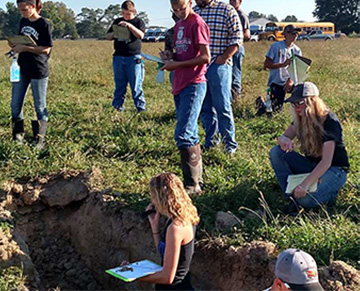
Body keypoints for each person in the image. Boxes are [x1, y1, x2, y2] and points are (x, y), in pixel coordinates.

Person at [269, 82, 349, 213]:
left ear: (312, 102)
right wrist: (284, 140)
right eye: (293, 104)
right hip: (311, 165)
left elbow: (326, 162)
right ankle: (291, 196)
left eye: (299, 103)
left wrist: (305, 185)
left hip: (334, 170)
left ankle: (329, 195)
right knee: (276, 152)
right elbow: (283, 137)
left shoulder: (329, 121)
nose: (296, 108)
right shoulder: (301, 118)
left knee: (305, 200)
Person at [160, 0, 211, 194]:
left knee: (183, 133)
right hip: (179, 84)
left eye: (182, 8)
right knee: (190, 132)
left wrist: (177, 66)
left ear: (190, 2)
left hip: (194, 83)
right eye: (175, 10)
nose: (179, 13)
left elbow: (206, 57)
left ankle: (192, 185)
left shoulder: (197, 23)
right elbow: (180, 53)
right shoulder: (178, 25)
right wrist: (168, 57)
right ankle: (198, 181)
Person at [194, 0, 243, 154]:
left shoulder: (226, 9)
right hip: (199, 66)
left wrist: (225, 56)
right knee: (205, 107)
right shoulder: (194, 11)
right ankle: (211, 141)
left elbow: (237, 37)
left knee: (222, 105)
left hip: (218, 64)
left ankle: (230, 144)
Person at [140, 172, 200, 290]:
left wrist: (134, 276)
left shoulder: (176, 228)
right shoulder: (185, 215)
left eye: (153, 197)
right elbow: (165, 253)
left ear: (161, 198)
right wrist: (155, 227)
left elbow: (168, 277)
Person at [9, 0, 53, 150]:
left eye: (24, 9)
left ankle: (39, 141)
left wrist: (25, 47)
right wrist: (15, 46)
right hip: (22, 68)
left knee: (40, 106)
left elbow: (46, 49)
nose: (22, 12)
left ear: (33, 6)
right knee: (15, 105)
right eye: (20, 10)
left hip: (38, 70)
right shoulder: (23, 21)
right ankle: (17, 138)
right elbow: (23, 39)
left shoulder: (44, 24)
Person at [106, 1, 146, 113]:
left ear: (133, 12)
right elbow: (108, 36)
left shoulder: (138, 22)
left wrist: (130, 26)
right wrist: (116, 31)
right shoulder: (117, 21)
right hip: (118, 57)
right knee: (119, 85)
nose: (125, 16)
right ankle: (117, 108)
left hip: (133, 58)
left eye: (127, 14)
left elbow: (141, 35)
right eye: (123, 13)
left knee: (136, 86)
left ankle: (141, 109)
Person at [258, 25, 302, 116]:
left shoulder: (297, 50)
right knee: (275, 112)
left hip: (290, 81)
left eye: (296, 33)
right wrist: (283, 65)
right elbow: (266, 64)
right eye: (292, 33)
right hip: (277, 82)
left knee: (302, 93)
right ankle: (262, 105)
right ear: (285, 34)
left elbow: (298, 69)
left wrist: (291, 80)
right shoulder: (276, 46)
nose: (295, 35)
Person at [229, 0, 250, 102]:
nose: (231, 2)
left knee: (235, 75)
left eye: (234, 0)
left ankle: (236, 101)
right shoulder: (228, 12)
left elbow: (247, 35)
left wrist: (235, 35)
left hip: (237, 49)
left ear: (240, 2)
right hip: (228, 48)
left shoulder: (241, 15)